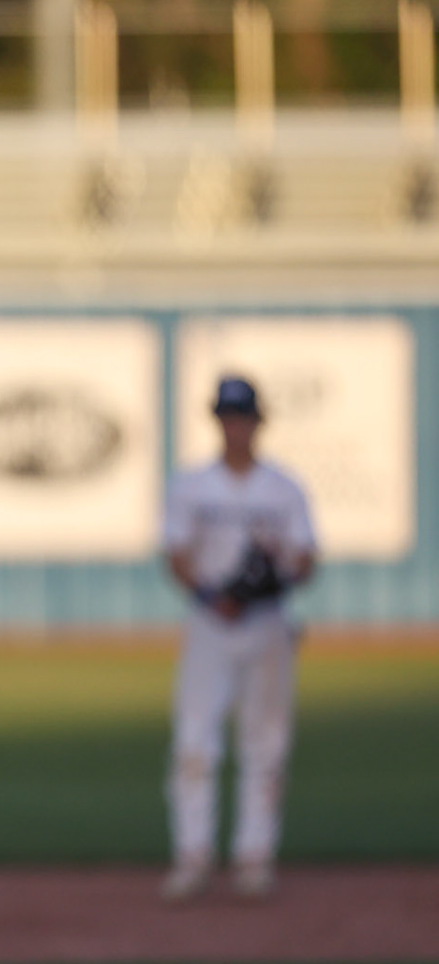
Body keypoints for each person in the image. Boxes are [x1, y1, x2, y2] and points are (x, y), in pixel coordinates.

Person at [161, 376, 317, 901]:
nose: (235, 426)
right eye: (227, 417)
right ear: (218, 421)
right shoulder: (194, 485)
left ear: (257, 421)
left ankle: (254, 857)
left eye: (243, 416)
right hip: (210, 624)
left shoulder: (282, 487)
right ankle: (193, 856)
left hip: (266, 623)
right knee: (194, 742)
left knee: (266, 743)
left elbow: (305, 558)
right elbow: (177, 555)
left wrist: (273, 577)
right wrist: (213, 595)